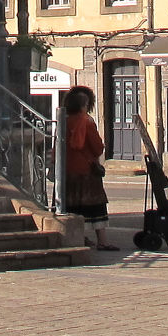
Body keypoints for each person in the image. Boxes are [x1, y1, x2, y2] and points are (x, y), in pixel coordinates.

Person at [61, 86, 115, 251]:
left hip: (68, 170)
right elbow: (97, 147)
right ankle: (102, 241)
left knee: (73, 206)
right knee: (95, 206)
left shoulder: (64, 120)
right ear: (85, 105)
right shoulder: (87, 122)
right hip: (87, 170)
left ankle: (81, 237)